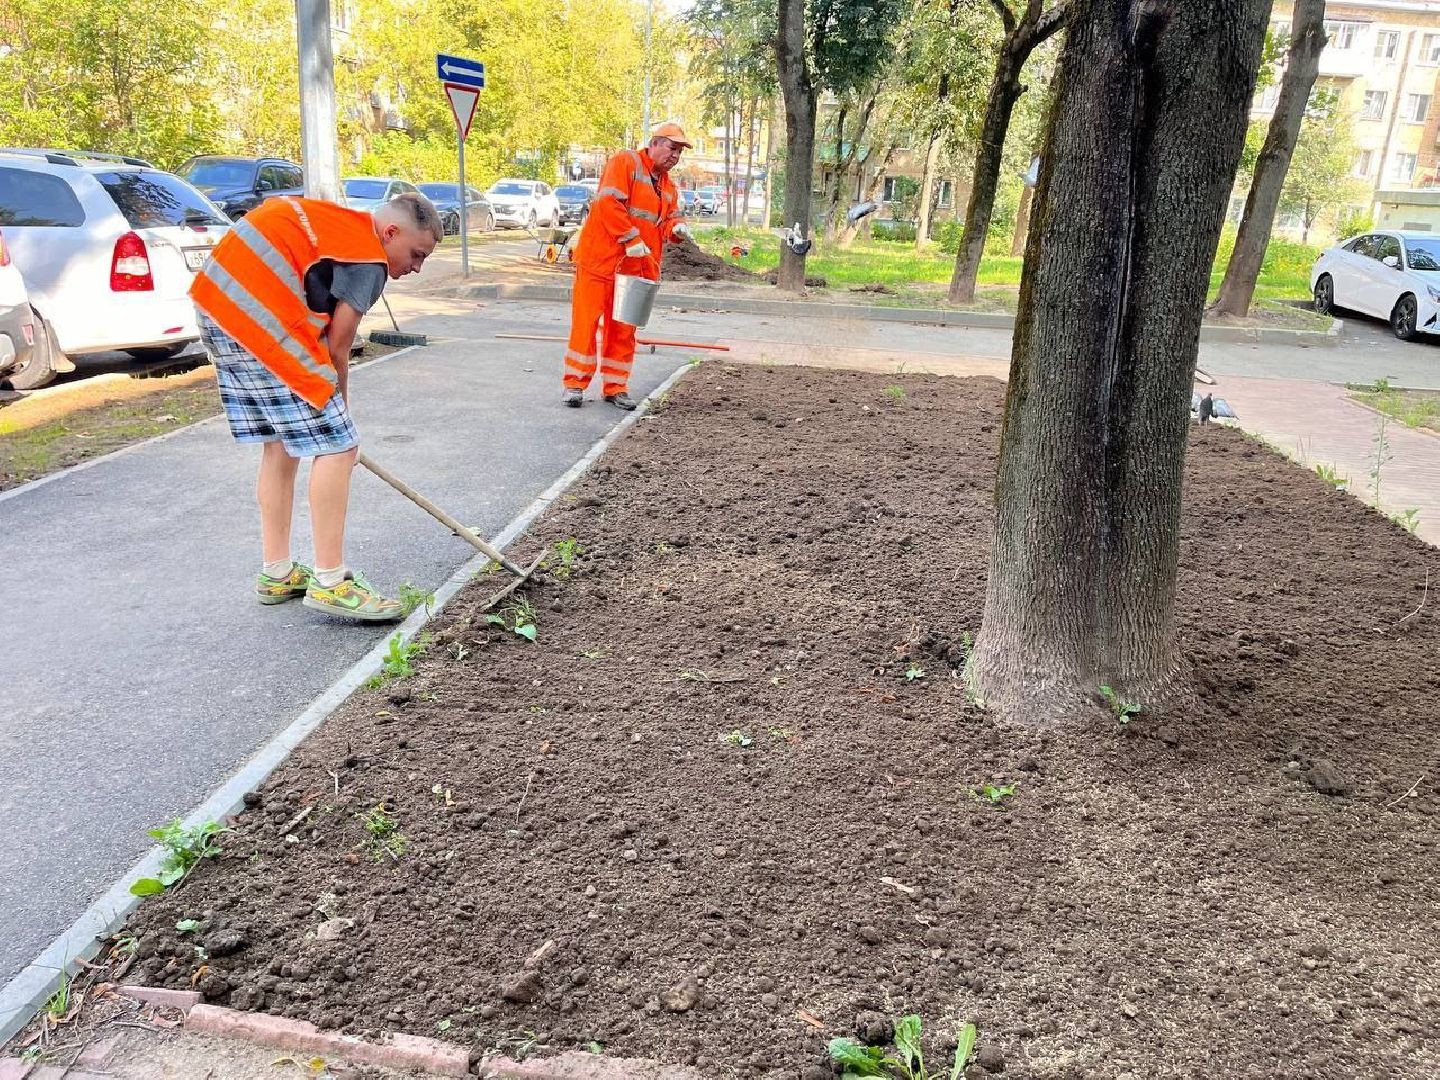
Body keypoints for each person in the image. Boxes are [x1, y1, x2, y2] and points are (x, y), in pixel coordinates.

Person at [190, 192, 443, 622]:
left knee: (281, 445)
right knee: (338, 448)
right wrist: (340, 420)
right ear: (391, 232)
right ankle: (330, 582)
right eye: (416, 254)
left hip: (216, 304)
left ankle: (278, 572)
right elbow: (339, 347)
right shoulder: (369, 259)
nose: (415, 267)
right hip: (257, 318)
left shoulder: (340, 225)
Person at [562, 121, 692, 411]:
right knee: (586, 322)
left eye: (680, 152)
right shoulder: (625, 163)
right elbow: (609, 203)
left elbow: (669, 219)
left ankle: (616, 386)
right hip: (600, 260)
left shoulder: (668, 186)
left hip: (636, 268)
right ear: (655, 143)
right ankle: (574, 384)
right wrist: (629, 237)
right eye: (672, 148)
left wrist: (678, 229)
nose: (675, 156)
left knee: (623, 329)